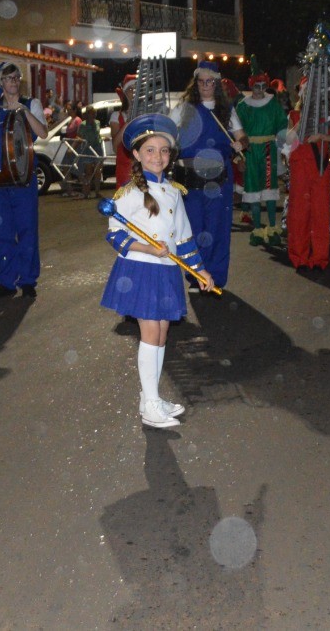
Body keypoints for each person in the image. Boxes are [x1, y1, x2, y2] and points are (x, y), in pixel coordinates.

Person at [100, 113, 214, 429]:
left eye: (164, 150)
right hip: (140, 271)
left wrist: (199, 271)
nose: (157, 157)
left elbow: (185, 237)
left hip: (166, 272)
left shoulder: (175, 192)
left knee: (162, 333)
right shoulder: (130, 193)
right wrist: (147, 248)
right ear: (136, 155)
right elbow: (114, 234)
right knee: (150, 334)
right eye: (149, 150)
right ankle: (150, 405)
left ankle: (150, 397)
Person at [0, 62, 49, 298]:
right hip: (0, 177)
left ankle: (28, 280)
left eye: (17, 77)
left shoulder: (31, 104)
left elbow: (42, 133)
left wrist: (23, 111)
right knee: (2, 231)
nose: (14, 81)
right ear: (1, 83)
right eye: (9, 78)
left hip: (25, 175)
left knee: (27, 229)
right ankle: (7, 281)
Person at [173, 61, 245, 291]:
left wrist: (239, 144)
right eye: (201, 81)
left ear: (216, 83)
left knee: (218, 228)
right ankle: (196, 277)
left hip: (219, 179)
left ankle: (215, 278)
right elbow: (166, 136)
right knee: (193, 228)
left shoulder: (227, 110)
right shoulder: (183, 109)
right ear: (196, 83)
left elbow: (244, 138)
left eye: (210, 81)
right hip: (191, 178)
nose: (205, 85)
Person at [284, 78, 330, 270]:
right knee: (299, 213)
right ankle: (299, 256)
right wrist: (302, 121)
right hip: (300, 165)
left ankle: (319, 258)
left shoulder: (326, 116)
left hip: (320, 166)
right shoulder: (294, 114)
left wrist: (322, 136)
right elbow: (288, 140)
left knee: (320, 211)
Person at [236, 73, 288, 245]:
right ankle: (257, 229)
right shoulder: (243, 106)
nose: (259, 90)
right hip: (250, 151)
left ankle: (273, 227)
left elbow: (282, 126)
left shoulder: (273, 104)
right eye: (256, 86)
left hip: (268, 149)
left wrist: (282, 148)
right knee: (252, 191)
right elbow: (236, 131)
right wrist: (239, 156)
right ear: (251, 86)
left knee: (270, 189)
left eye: (263, 86)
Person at [110, 75, 136, 188]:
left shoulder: (146, 115)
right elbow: (115, 147)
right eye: (130, 89)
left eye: (136, 88)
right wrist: (128, 122)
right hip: (125, 168)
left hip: (144, 167)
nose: (134, 92)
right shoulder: (116, 116)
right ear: (124, 93)